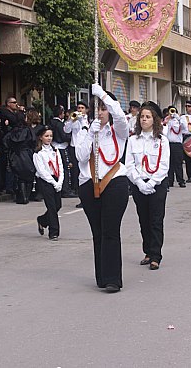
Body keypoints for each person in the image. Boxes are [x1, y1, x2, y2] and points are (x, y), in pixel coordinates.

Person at [76, 83, 130, 293]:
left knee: (110, 231)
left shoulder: (118, 131)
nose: (101, 113)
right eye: (96, 108)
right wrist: (91, 134)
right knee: (97, 232)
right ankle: (101, 275)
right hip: (88, 183)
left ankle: (113, 279)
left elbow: (121, 117)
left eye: (103, 109)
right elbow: (80, 156)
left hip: (114, 181)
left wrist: (104, 96)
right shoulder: (85, 131)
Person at [125, 102, 170, 270]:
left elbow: (164, 165)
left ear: (154, 119)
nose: (144, 120)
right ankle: (148, 251)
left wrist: (152, 182)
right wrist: (138, 182)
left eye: (147, 117)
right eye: (142, 117)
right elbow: (129, 164)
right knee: (143, 218)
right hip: (138, 183)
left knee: (156, 219)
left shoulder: (162, 140)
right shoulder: (133, 140)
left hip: (157, 183)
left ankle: (156, 255)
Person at [33, 126, 64, 241]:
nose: (49, 138)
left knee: (58, 205)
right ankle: (54, 232)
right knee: (51, 206)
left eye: (51, 136)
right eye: (46, 136)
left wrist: (60, 181)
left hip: (56, 178)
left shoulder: (55, 150)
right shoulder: (38, 153)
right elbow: (42, 171)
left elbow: (60, 166)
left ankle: (42, 220)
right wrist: (53, 182)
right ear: (41, 137)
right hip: (45, 180)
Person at [64, 101, 89, 204]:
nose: (80, 110)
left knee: (85, 171)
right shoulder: (74, 119)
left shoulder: (88, 119)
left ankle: (85, 196)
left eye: (82, 108)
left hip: (85, 147)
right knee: (76, 172)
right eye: (78, 108)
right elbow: (66, 130)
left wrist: (83, 120)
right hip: (74, 147)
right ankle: (78, 193)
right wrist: (71, 119)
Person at [50, 105, 76, 198]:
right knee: (64, 168)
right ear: (60, 113)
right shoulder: (59, 124)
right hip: (61, 148)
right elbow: (63, 136)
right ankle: (65, 190)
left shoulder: (51, 122)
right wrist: (71, 137)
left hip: (54, 147)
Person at [163, 105, 187, 187]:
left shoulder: (179, 120)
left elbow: (185, 128)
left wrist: (178, 118)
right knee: (169, 164)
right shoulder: (167, 121)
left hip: (177, 144)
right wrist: (165, 123)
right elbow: (163, 133)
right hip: (168, 144)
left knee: (178, 163)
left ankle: (181, 180)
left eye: (173, 111)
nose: (171, 113)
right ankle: (170, 181)